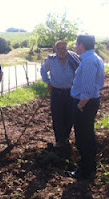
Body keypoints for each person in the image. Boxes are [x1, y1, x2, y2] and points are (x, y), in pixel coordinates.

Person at [68, 34, 105, 180]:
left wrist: (80, 105)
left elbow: (88, 89)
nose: (75, 47)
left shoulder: (89, 61)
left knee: (83, 137)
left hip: (85, 103)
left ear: (82, 45)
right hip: (89, 102)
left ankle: (85, 170)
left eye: (77, 44)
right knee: (87, 135)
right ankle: (88, 167)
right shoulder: (94, 58)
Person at [40, 40, 80, 148]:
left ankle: (66, 138)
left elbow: (80, 71)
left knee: (70, 115)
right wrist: (48, 82)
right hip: (56, 92)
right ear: (56, 50)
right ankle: (59, 140)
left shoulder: (74, 58)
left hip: (71, 92)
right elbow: (43, 71)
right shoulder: (51, 60)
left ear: (67, 48)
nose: (62, 50)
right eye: (59, 48)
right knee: (57, 116)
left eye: (64, 48)